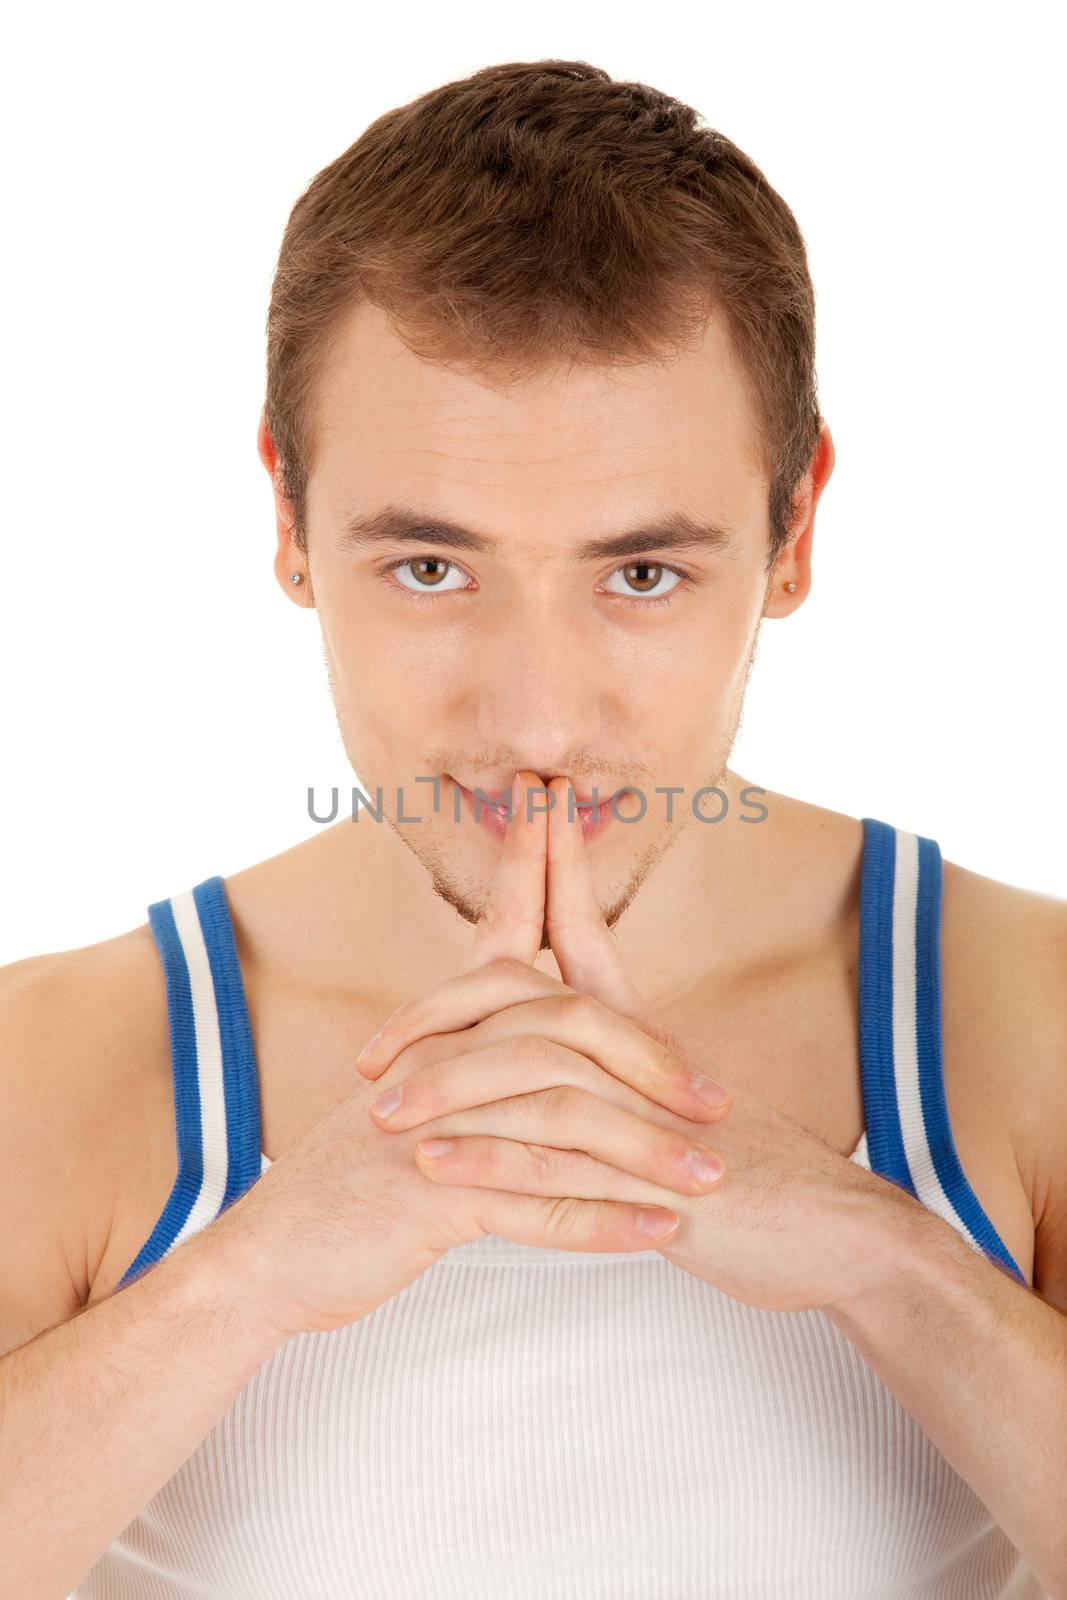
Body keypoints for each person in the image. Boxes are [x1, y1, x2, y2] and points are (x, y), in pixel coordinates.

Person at [1, 57, 1064, 1600]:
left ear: (796, 530)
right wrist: (243, 1281)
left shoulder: (1023, 1021)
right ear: (290, 521)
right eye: (432, 568)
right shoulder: (61, 1069)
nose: (542, 721)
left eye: (643, 574)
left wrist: (876, 1255)